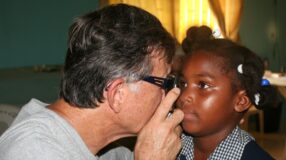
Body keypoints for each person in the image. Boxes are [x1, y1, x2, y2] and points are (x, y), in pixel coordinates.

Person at [0, 4, 184, 160]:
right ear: (118, 94)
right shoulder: (34, 152)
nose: (166, 94)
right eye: (163, 83)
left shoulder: (106, 149)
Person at [176, 38, 277, 160]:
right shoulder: (171, 144)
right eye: (183, 84)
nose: (184, 96)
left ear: (241, 101)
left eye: (203, 85)